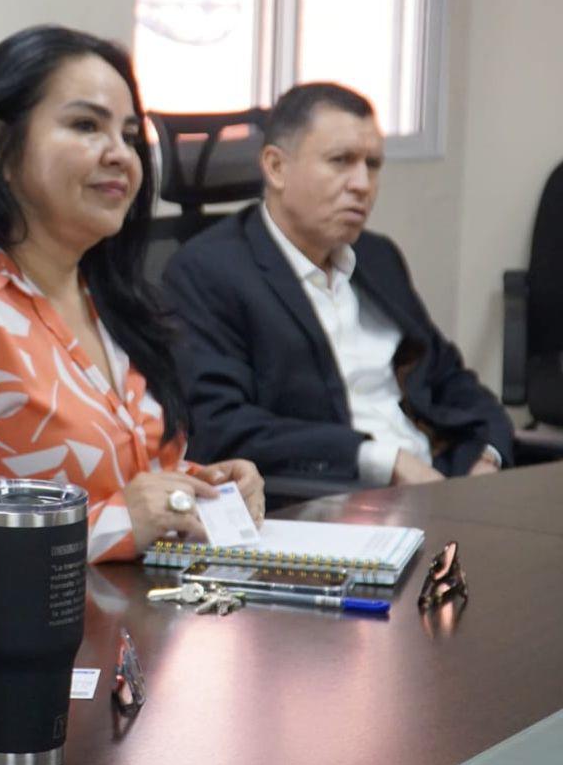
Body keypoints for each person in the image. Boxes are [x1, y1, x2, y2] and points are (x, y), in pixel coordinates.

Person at [0, 25, 264, 564]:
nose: (121, 155)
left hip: (144, 606)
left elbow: (112, 485)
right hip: (18, 620)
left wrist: (200, 489)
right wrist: (117, 524)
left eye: (130, 135)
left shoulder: (103, 293)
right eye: (86, 125)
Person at [162, 82, 514, 487]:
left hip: (440, 484)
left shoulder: (378, 258)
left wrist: (487, 456)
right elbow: (220, 427)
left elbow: (450, 379)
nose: (362, 184)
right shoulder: (208, 271)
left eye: (373, 164)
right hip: (330, 498)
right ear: (276, 167)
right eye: (341, 161)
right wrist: (383, 461)